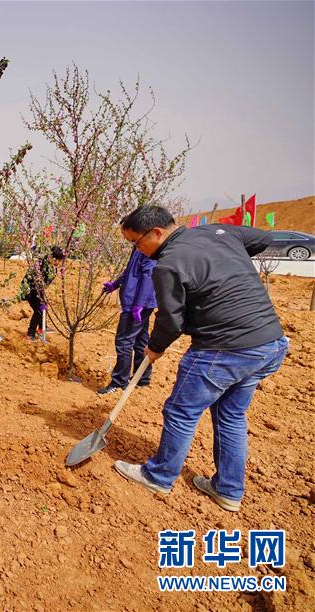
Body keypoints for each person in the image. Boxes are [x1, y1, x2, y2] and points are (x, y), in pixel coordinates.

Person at [112, 206, 288, 512]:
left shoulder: (168, 264)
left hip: (223, 350)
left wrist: (155, 347)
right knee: (231, 415)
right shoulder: (219, 232)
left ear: (156, 233)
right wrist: (225, 259)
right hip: (269, 344)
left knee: (181, 412)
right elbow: (263, 238)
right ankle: (228, 490)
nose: (137, 250)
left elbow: (171, 321)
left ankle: (158, 476)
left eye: (136, 243)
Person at [97, 245, 157, 394]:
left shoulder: (148, 248)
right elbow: (131, 271)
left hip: (136, 303)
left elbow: (149, 276)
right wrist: (116, 284)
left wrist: (139, 303)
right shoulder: (138, 246)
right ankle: (142, 378)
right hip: (139, 302)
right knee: (141, 340)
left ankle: (119, 382)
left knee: (124, 341)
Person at [18, 246, 65, 341]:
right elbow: (34, 280)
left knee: (43, 307)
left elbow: (45, 282)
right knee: (39, 310)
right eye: (57, 260)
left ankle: (42, 328)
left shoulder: (52, 268)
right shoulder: (41, 264)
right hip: (30, 290)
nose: (58, 263)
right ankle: (31, 333)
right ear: (52, 257)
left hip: (38, 291)